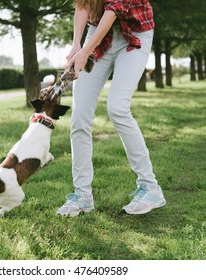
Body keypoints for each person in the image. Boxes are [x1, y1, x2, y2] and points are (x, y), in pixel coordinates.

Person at [57, 0, 166, 217]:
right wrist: (77, 45)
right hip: (98, 32)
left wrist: (86, 51)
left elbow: (114, 9)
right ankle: (82, 196)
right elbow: (83, 4)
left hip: (135, 33)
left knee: (117, 107)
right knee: (79, 115)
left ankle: (150, 187)